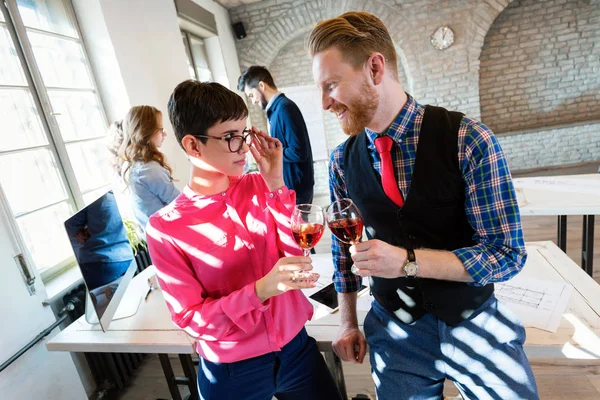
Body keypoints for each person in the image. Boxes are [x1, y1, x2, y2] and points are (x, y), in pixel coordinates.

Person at [308, 11, 539, 400]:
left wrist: (406, 262)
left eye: (331, 85)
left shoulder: (468, 139)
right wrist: (348, 322)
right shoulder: (340, 162)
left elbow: (507, 255)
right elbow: (342, 254)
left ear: (375, 68)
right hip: (395, 334)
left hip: (476, 324)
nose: (324, 103)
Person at [145, 80, 343, 400]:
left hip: (296, 351)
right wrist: (260, 290)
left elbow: (295, 256)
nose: (244, 147)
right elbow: (191, 319)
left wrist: (276, 181)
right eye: (231, 138)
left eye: (244, 133)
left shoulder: (258, 185)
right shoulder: (166, 228)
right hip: (233, 371)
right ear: (194, 146)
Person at [238, 66, 315, 204]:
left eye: (251, 95)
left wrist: (271, 153)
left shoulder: (285, 108)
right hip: (291, 186)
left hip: (297, 189)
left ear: (261, 85)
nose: (253, 101)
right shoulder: (276, 110)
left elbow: (298, 152)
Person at [119, 105, 180, 229]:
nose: (165, 134)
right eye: (161, 129)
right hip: (169, 235)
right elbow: (179, 204)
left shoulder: (130, 164)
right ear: (145, 132)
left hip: (153, 236)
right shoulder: (150, 170)